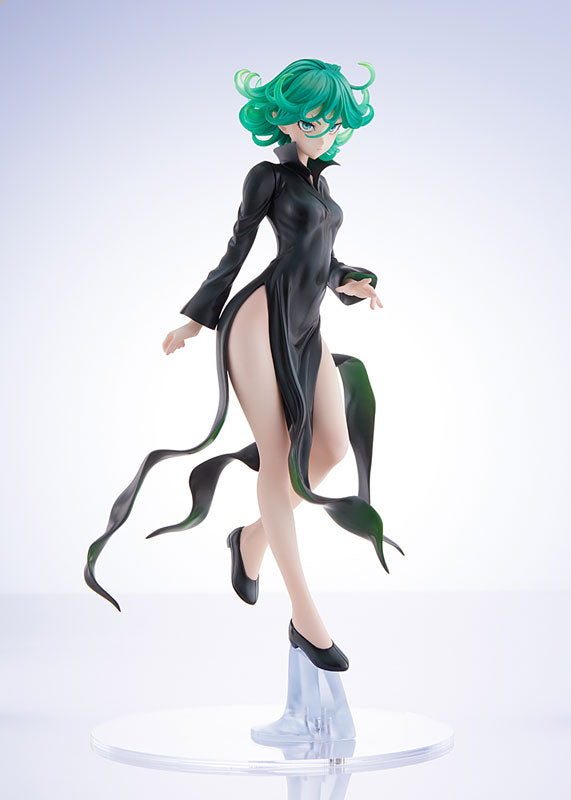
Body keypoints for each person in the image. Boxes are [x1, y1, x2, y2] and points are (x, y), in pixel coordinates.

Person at [84, 58, 405, 671]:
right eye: (313, 120)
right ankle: (307, 620)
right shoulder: (268, 177)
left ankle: (251, 539)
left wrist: (349, 280)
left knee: (331, 448)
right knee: (280, 456)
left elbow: (320, 259)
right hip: (259, 320)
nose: (325, 131)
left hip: (307, 325)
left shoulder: (320, 186)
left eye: (335, 122)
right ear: (283, 119)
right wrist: (196, 319)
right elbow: (237, 248)